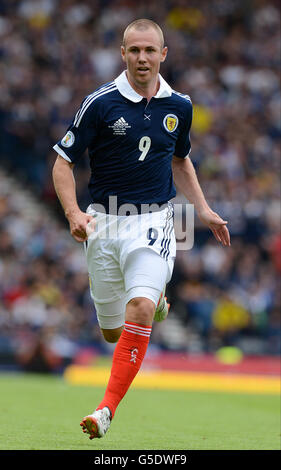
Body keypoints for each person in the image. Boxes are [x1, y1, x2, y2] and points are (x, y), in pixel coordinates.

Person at [52, 18, 230, 440]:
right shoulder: (100, 102)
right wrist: (74, 214)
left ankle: (105, 410)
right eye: (134, 50)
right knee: (112, 331)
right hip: (104, 222)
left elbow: (180, 159)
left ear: (163, 54)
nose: (143, 58)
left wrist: (202, 209)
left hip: (153, 221)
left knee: (140, 310)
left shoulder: (180, 106)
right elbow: (63, 161)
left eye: (150, 50)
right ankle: (158, 303)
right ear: (123, 53)